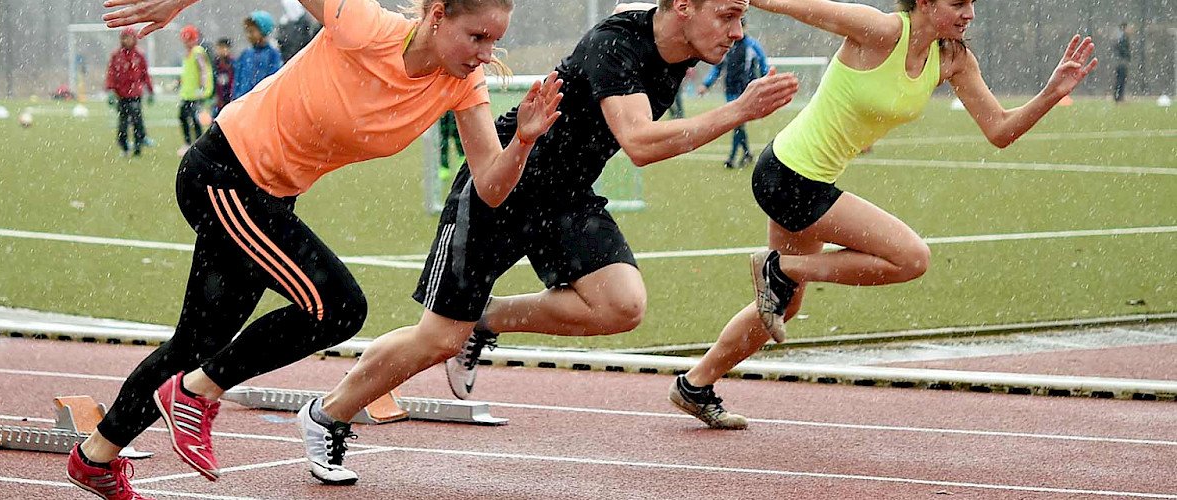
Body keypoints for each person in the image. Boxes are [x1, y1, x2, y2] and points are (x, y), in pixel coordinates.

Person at [67, 0, 562, 496]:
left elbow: (491, 188)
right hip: (224, 175)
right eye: (477, 37)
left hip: (269, 197)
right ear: (436, 16)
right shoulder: (365, 24)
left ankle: (96, 459)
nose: (486, 53)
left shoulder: (462, 83)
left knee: (196, 345)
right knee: (338, 309)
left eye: (494, 41)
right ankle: (197, 394)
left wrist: (522, 141)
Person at [311, 0, 797, 483]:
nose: (738, 31)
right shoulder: (616, 43)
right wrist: (738, 110)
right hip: (502, 180)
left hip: (565, 196)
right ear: (685, 7)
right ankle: (328, 415)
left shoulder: (685, 41)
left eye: (742, 17)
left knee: (621, 306)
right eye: (729, 15)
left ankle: (488, 316)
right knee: (438, 338)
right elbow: (641, 143)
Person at [672, 0, 1098, 430]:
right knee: (911, 258)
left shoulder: (952, 58)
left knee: (785, 303)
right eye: (957, 3)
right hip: (789, 175)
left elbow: (999, 130)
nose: (969, 12)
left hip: (800, 180)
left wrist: (1050, 94)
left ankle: (695, 385)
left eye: (972, 3)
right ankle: (780, 268)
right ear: (926, 2)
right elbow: (800, 7)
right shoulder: (880, 31)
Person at [699, 17, 768, 168]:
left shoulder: (752, 46)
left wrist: (766, 83)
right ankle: (747, 153)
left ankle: (732, 158)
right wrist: (706, 84)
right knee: (736, 124)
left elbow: (764, 66)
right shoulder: (726, 46)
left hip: (747, 91)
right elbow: (717, 67)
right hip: (730, 90)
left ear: (746, 27)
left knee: (736, 123)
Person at [106, 27, 155, 157]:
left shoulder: (139, 56)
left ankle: (138, 146)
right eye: (125, 38)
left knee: (137, 120)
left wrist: (150, 91)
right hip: (121, 95)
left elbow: (145, 74)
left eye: (130, 38)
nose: (128, 40)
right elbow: (111, 74)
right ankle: (124, 146)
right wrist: (110, 90)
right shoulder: (116, 56)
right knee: (122, 123)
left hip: (135, 94)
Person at [177, 25, 214, 152]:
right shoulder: (189, 53)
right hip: (187, 93)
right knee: (183, 116)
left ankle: (198, 143)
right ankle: (189, 142)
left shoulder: (197, 52)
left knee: (194, 119)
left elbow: (203, 70)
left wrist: (202, 88)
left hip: (195, 93)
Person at [231, 10, 282, 100]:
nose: (248, 35)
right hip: (243, 102)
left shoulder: (272, 55)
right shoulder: (245, 54)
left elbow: (275, 81)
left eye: (252, 31)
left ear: (263, 31)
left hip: (263, 102)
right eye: (247, 31)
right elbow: (237, 81)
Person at [211, 38, 236, 116]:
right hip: (218, 98)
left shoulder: (233, 63)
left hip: (230, 97)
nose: (222, 50)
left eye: (224, 48)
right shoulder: (215, 63)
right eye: (220, 48)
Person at [1113, 22, 1131, 103]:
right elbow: (1122, 48)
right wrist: (1126, 56)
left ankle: (1118, 97)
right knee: (1121, 80)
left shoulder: (1119, 36)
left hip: (1120, 61)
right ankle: (1119, 97)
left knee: (1120, 79)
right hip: (1121, 61)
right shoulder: (1123, 37)